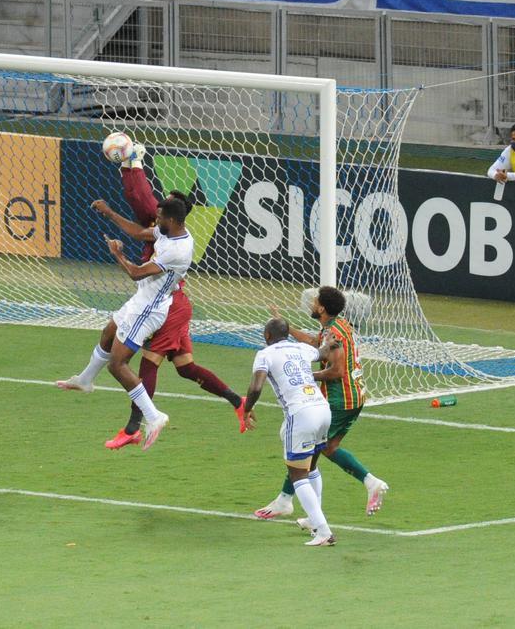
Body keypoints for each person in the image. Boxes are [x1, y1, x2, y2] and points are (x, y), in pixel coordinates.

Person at [95, 143, 244, 450]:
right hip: (178, 302)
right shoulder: (164, 228)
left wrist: (133, 164)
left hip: (170, 306)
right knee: (186, 367)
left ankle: (134, 427)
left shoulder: (168, 233)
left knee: (148, 362)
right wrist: (127, 172)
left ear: (171, 216)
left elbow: (140, 197)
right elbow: (138, 216)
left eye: (163, 210)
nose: (158, 211)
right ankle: (237, 401)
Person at [54, 195, 193, 451]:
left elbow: (135, 273)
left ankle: (154, 416)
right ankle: (85, 380)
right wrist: (109, 212)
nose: (156, 221)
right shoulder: (171, 231)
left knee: (117, 365)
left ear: (172, 220)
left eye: (160, 218)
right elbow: (139, 233)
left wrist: (118, 254)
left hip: (148, 310)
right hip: (142, 299)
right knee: (108, 332)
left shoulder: (177, 251)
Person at [255, 286, 389, 519]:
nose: (311, 303)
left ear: (322, 308)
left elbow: (337, 371)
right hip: (354, 396)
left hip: (339, 399)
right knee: (326, 448)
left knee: (309, 451)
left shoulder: (333, 332)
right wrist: (283, 327)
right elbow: (312, 342)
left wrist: (306, 375)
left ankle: (287, 501)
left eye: (315, 301)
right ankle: (298, 504)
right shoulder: (338, 326)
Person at [242, 317, 336, 547]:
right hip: (323, 409)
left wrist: (247, 408)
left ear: (267, 336)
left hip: (301, 414)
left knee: (297, 475)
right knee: (311, 467)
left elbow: (256, 386)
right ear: (287, 334)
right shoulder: (301, 348)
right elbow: (322, 353)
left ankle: (323, 532)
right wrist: (330, 343)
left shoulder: (265, 354)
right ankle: (315, 521)